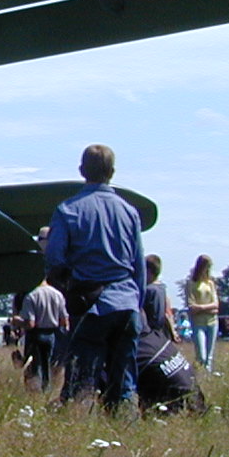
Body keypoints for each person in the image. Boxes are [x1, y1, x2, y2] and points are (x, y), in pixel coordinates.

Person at [46, 144, 146, 411]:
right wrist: (137, 303)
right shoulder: (129, 211)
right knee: (123, 383)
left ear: (82, 171)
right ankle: (125, 421)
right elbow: (138, 265)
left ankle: (79, 423)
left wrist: (67, 287)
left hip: (90, 304)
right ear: (112, 172)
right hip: (126, 302)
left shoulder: (68, 210)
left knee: (82, 381)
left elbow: (54, 258)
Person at [18, 276, 68, 392]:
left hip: (36, 333)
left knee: (35, 365)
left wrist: (17, 321)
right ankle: (47, 388)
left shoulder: (31, 296)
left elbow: (30, 323)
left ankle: (36, 390)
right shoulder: (57, 294)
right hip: (52, 333)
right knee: (48, 364)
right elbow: (64, 320)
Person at [185, 255, 220, 373]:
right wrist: (207, 308)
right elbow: (191, 307)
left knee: (209, 357)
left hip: (212, 322)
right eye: (206, 267)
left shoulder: (210, 283)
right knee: (201, 356)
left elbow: (216, 304)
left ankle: (207, 377)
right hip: (198, 323)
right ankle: (197, 374)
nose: (208, 270)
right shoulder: (191, 284)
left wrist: (200, 308)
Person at [141, 255, 177, 340]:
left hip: (148, 331)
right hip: (160, 332)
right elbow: (166, 313)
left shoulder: (149, 290)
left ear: (148, 271)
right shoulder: (162, 288)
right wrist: (172, 332)